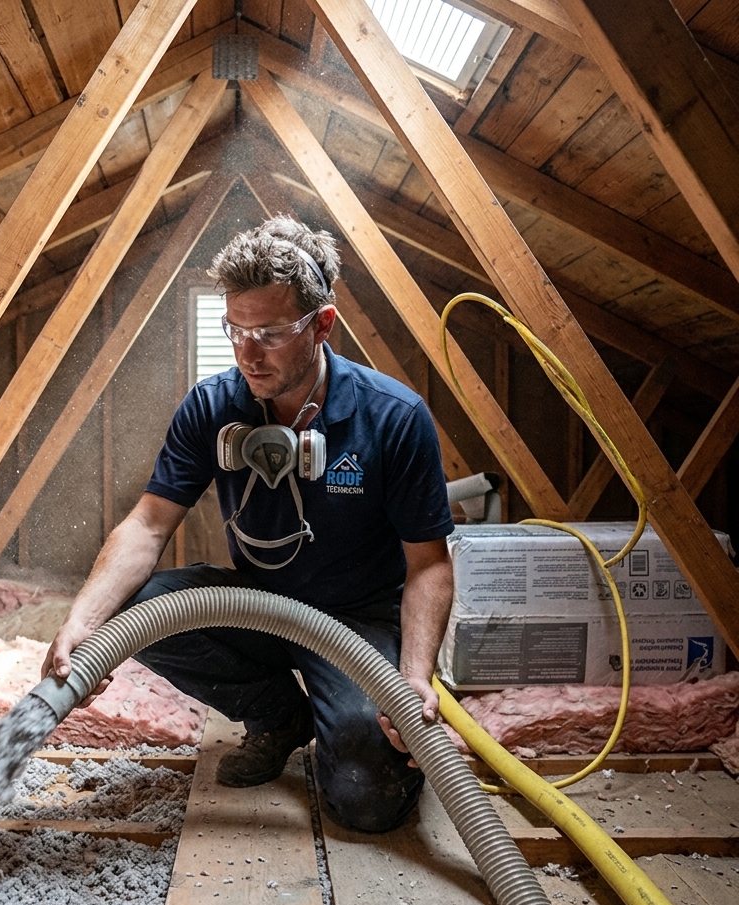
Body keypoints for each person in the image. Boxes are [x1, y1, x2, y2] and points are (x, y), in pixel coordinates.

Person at [43, 216, 454, 833]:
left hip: (359, 620)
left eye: (270, 332)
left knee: (367, 802)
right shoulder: (213, 407)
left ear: (322, 325)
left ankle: (353, 724)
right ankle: (279, 716)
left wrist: (413, 679)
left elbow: (429, 564)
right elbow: (149, 525)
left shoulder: (393, 417)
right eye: (235, 329)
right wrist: (84, 621)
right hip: (259, 603)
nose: (247, 352)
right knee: (139, 607)